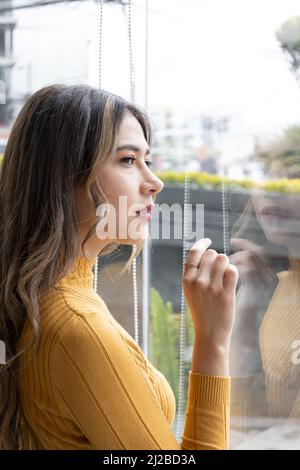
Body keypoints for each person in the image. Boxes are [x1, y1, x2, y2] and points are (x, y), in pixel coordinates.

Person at [0, 84, 238, 450]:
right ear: (63, 176)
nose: (154, 182)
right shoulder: (78, 329)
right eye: (128, 160)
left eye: (148, 161)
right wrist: (213, 342)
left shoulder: (46, 299)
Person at [229, 156, 300, 442]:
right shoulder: (275, 287)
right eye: (266, 176)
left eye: (292, 175)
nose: (271, 188)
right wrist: (248, 312)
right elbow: (241, 426)